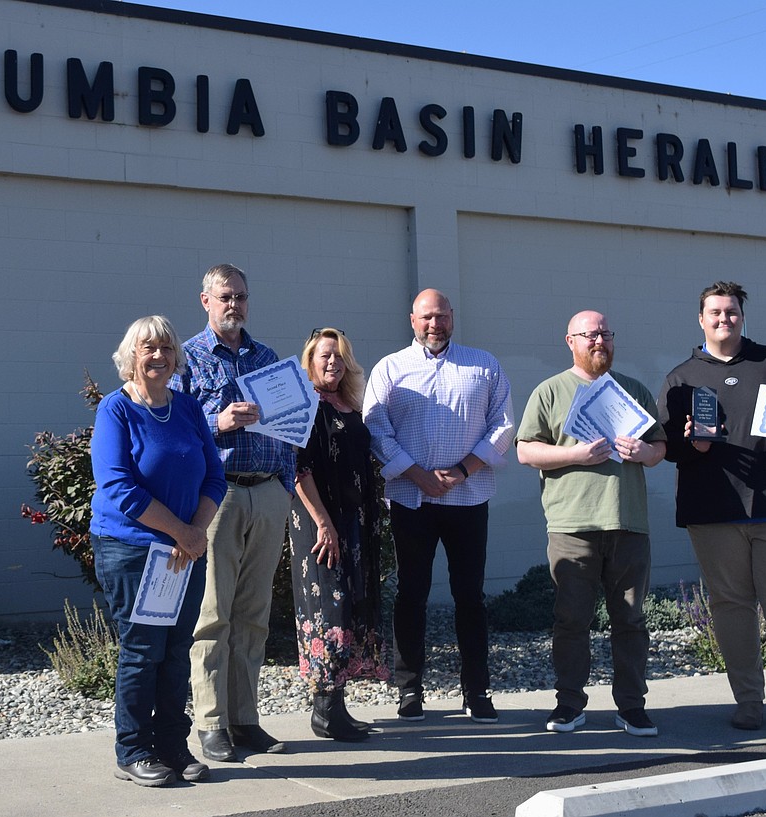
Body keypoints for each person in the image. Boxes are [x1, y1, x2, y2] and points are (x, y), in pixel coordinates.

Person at [657, 280, 766, 738]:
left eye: (732, 311)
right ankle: (749, 703)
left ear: (742, 316)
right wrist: (691, 442)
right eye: (715, 312)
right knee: (731, 607)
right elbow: (668, 447)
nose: (724, 318)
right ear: (701, 320)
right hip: (712, 511)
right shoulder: (681, 377)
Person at [363, 288, 515, 723]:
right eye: (427, 317)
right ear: (412, 319)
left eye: (442, 316)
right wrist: (418, 475)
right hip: (412, 500)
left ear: (453, 317)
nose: (435, 325)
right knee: (411, 595)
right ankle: (410, 691)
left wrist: (461, 471)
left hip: (469, 498)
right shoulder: (390, 369)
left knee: (470, 597)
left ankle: (477, 691)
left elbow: (503, 425)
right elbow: (375, 428)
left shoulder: (484, 365)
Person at [89, 315, 227, 787]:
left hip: (184, 551)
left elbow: (215, 476)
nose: (159, 356)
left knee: (174, 652)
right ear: (130, 358)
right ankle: (132, 750)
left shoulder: (187, 409)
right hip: (133, 551)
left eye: (167, 349)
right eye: (148, 349)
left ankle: (171, 745)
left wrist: (196, 531)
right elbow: (118, 487)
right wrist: (181, 534)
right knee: (142, 651)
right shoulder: (115, 410)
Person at [516, 310, 667, 737]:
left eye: (606, 333)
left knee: (631, 622)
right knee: (571, 621)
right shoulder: (550, 391)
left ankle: (632, 707)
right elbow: (526, 451)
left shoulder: (633, 390)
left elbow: (660, 448)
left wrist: (644, 452)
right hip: (572, 525)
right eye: (590, 334)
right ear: (571, 341)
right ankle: (569, 705)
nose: (600, 341)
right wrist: (575, 455)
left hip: (628, 522)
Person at [172, 263, 297, 763]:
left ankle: (245, 718)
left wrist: (285, 487)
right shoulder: (187, 357)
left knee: (254, 615)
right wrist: (218, 422)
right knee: (213, 613)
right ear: (205, 300)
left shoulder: (266, 357)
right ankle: (210, 723)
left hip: (267, 492)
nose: (235, 305)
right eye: (226, 296)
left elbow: (291, 425)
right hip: (219, 497)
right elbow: (176, 425)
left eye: (242, 297)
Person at [289, 327, 389, 742]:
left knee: (349, 605)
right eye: (324, 356)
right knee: (327, 607)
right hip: (320, 523)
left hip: (353, 522)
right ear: (309, 361)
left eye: (339, 356)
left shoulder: (349, 405)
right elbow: (298, 468)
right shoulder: (304, 404)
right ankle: (325, 712)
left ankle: (336, 707)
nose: (332, 362)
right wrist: (323, 521)